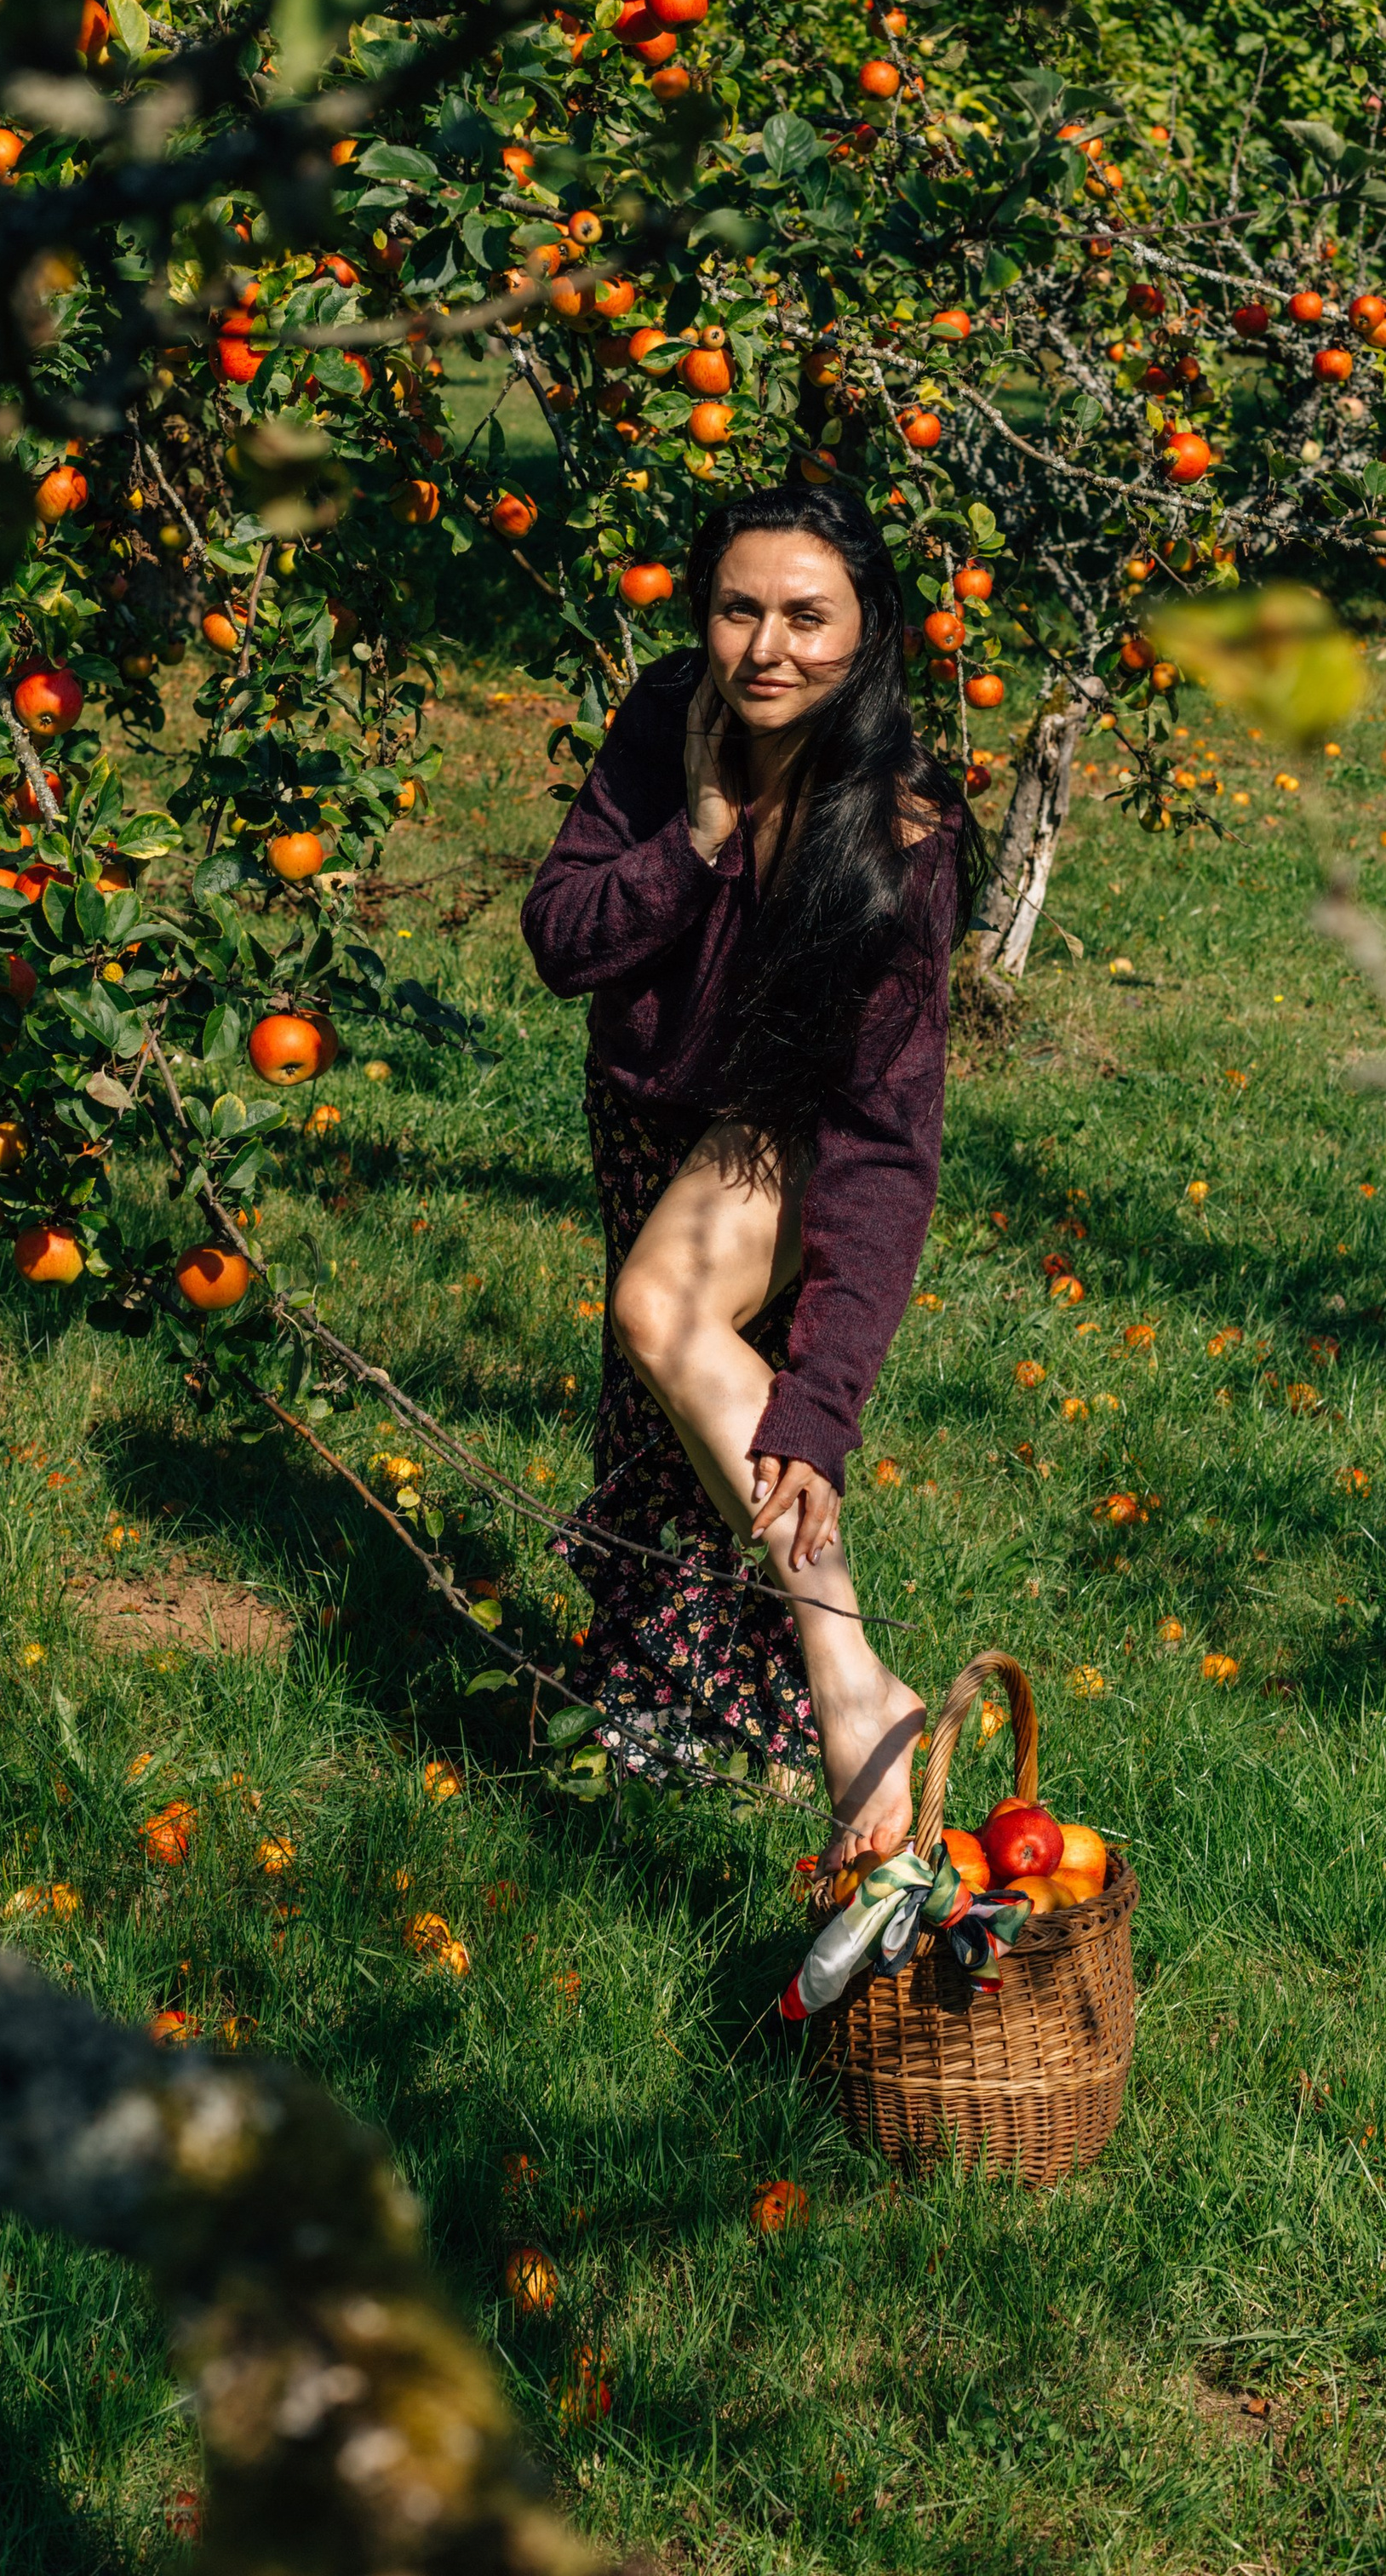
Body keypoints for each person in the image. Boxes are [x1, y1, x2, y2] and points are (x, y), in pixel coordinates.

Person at [522, 476, 974, 1865]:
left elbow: (886, 1138)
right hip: (645, 1111)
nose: (767, 649)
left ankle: (850, 1690)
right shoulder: (668, 722)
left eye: (806, 617)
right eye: (738, 609)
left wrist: (828, 1403)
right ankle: (695, 1709)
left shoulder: (899, 840)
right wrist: (700, 841)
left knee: (664, 1317)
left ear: (871, 634)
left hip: (786, 1124)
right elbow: (564, 938)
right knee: (665, 1435)